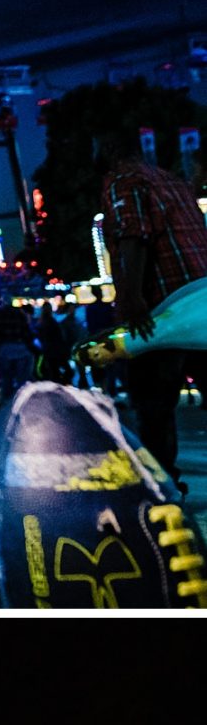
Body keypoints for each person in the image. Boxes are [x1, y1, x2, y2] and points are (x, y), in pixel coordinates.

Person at [96, 135, 207, 484]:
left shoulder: (122, 180)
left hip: (163, 309)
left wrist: (130, 297)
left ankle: (163, 488)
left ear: (108, 150)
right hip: (200, 300)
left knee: (154, 405)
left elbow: (133, 238)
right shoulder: (173, 180)